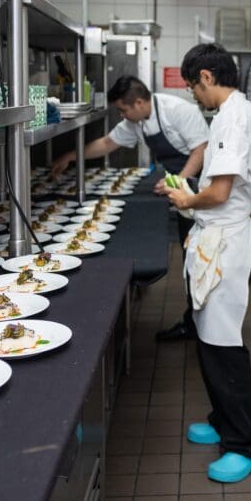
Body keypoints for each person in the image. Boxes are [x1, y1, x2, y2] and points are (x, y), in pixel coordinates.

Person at [165, 43, 251, 484]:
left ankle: (247, 444)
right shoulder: (235, 114)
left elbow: (221, 193)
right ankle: (222, 419)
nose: (194, 97)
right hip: (219, 235)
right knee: (209, 339)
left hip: (225, 241)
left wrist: (185, 199)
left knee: (222, 346)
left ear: (207, 77)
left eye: (194, 87)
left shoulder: (233, 117)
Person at [52, 75, 208, 341]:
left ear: (138, 102)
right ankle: (195, 321)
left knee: (200, 257)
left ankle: (202, 324)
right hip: (182, 188)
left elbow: (200, 150)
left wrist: (178, 180)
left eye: (123, 110)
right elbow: (107, 144)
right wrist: (72, 156)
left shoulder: (179, 111)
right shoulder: (137, 121)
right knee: (190, 255)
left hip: (201, 187)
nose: (122, 115)